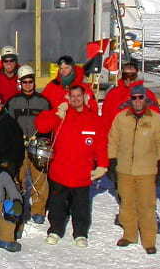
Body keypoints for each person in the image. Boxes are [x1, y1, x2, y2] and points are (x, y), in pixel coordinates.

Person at [35, 84, 108, 248]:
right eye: (72, 97)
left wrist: (102, 164)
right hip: (60, 172)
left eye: (78, 96)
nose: (76, 100)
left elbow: (101, 144)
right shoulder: (62, 115)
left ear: (85, 98)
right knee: (57, 205)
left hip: (82, 173)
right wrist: (57, 115)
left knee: (81, 206)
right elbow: (41, 126)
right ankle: (55, 230)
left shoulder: (94, 119)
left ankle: (81, 233)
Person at [108, 84, 160, 254]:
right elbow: (113, 140)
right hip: (124, 169)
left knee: (146, 206)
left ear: (145, 99)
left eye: (141, 97)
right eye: (134, 98)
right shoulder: (121, 118)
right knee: (127, 204)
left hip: (146, 170)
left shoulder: (155, 119)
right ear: (130, 100)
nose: (138, 101)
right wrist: (112, 161)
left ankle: (149, 241)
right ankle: (130, 234)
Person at [7, 65, 51, 225]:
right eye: (24, 82)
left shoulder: (43, 102)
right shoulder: (13, 102)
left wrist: (44, 141)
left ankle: (38, 209)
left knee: (39, 176)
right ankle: (18, 206)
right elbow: (9, 123)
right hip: (19, 144)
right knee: (18, 177)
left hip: (36, 143)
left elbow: (48, 123)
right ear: (20, 83)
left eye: (30, 81)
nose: (28, 85)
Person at [101, 59, 160, 126]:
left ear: (136, 76)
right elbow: (105, 119)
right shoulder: (112, 94)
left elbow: (155, 119)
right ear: (121, 75)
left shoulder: (147, 94)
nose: (128, 79)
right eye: (126, 76)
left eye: (132, 76)